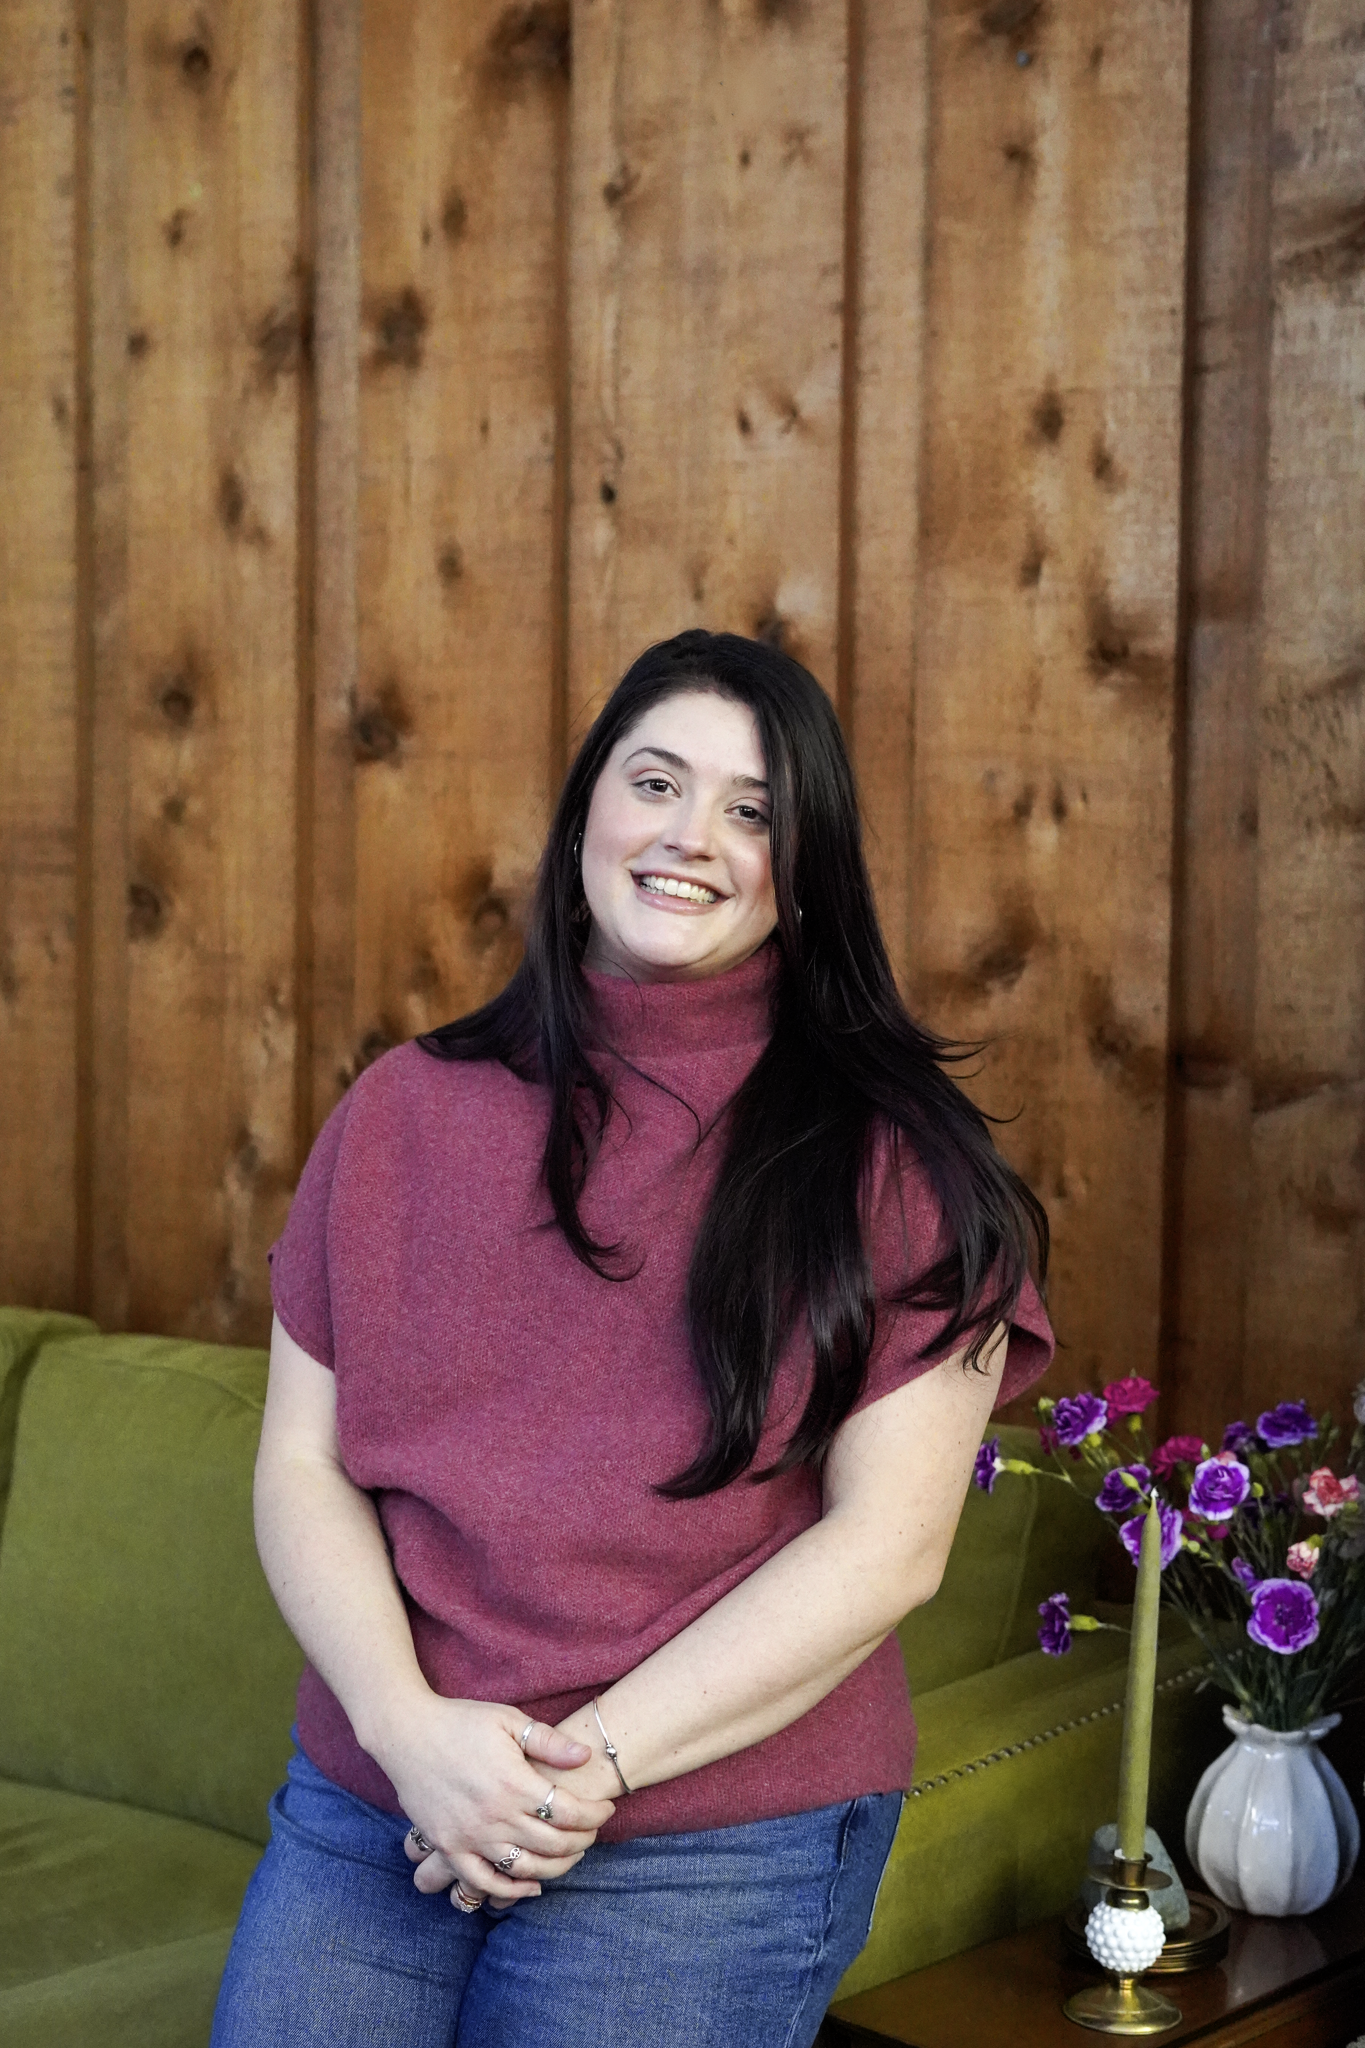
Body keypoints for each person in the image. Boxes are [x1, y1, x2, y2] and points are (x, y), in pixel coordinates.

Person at [211, 629, 1053, 2048]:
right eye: (656, 782)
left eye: (753, 810)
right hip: (387, 1795)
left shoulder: (905, 1161)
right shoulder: (405, 1113)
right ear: (588, 808)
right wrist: (414, 1737)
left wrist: (577, 1772)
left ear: (807, 870)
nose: (692, 838)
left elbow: (889, 1547)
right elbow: (304, 1464)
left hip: (707, 1832)